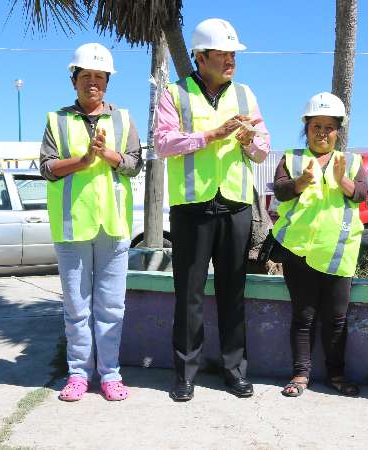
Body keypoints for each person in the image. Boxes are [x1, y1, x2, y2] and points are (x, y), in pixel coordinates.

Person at [154, 18, 271, 402]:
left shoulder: (246, 95)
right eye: (222, 53)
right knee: (188, 293)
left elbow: (262, 151)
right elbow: (164, 143)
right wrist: (211, 135)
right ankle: (185, 374)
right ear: (200, 57)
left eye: (233, 54)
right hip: (192, 206)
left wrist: (250, 141)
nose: (230, 60)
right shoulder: (176, 93)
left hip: (236, 205)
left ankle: (235, 371)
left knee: (232, 291)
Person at [39, 43, 143, 402]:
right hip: (72, 226)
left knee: (112, 306)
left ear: (108, 81)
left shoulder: (123, 119)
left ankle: (110, 373)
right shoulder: (57, 120)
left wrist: (107, 155)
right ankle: (78, 374)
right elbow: (47, 168)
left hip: (113, 226)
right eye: (86, 76)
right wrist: (82, 161)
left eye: (99, 77)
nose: (93, 83)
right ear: (74, 80)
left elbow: (134, 163)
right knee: (76, 306)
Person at [271, 93, 367, 398]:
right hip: (300, 252)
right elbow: (282, 192)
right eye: (316, 126)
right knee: (303, 317)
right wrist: (301, 181)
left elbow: (363, 193)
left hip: (339, 251)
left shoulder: (351, 161)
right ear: (306, 127)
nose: (322, 133)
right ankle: (300, 374)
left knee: (336, 319)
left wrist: (344, 182)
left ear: (338, 130)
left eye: (329, 127)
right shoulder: (292, 158)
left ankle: (336, 375)